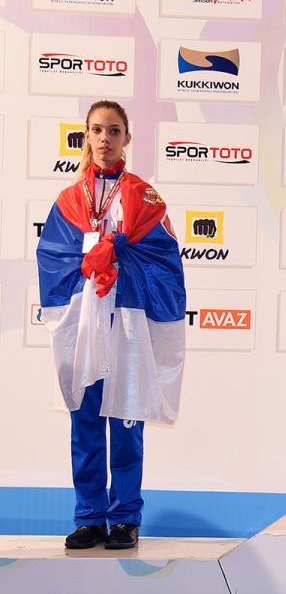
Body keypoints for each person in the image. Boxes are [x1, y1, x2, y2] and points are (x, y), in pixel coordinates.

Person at [36, 100, 186, 550]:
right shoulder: (69, 200)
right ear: (86, 136)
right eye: (97, 131)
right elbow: (52, 258)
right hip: (84, 325)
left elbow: (164, 258)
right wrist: (89, 261)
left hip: (127, 325)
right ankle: (88, 517)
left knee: (125, 419)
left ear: (127, 138)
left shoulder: (144, 196)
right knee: (84, 419)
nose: (105, 139)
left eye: (114, 130)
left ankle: (124, 517)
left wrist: (118, 249)